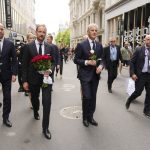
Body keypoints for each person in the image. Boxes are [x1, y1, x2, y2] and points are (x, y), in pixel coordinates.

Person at [22, 24, 55, 140]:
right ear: (36, 33)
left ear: (45, 33)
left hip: (46, 80)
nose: (42, 34)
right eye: (40, 31)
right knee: (35, 99)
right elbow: (25, 65)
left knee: (47, 103)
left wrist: (50, 70)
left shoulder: (50, 47)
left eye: (43, 32)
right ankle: (35, 110)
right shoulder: (28, 47)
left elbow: (53, 62)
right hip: (33, 79)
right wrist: (24, 81)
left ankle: (45, 128)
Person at [74, 23, 103, 127]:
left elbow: (102, 59)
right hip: (85, 75)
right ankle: (85, 118)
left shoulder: (99, 45)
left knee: (93, 97)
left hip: (95, 75)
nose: (94, 32)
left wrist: (101, 66)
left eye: (96, 30)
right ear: (88, 32)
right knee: (87, 96)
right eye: (92, 30)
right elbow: (76, 60)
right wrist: (87, 62)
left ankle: (91, 117)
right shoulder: (81, 45)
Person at [125, 35, 150, 118]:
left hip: (149, 75)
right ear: (144, 40)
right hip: (141, 75)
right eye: (148, 39)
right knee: (138, 92)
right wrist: (132, 73)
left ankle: (146, 111)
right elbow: (132, 62)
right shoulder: (139, 49)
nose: (149, 41)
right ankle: (129, 99)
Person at [0, 23, 18, 127]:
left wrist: (14, 73)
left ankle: (5, 117)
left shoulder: (10, 44)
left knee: (7, 97)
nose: (0, 31)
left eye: (2, 29)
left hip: (7, 75)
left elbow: (14, 60)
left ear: (4, 31)